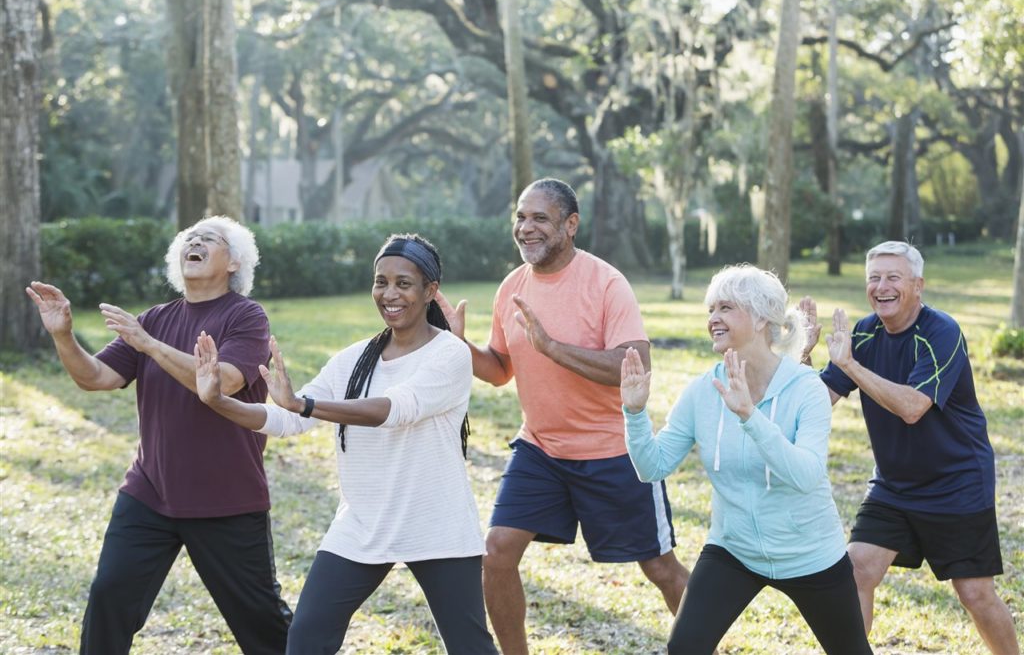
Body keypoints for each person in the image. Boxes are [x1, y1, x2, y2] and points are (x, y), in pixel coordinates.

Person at [193, 233, 498, 655]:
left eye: (403, 283)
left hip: (435, 521)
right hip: (362, 523)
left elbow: (394, 409)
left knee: (470, 648)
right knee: (306, 639)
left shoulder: (450, 354)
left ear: (430, 291)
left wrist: (306, 403)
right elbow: (285, 420)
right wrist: (217, 401)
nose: (389, 294)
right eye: (381, 282)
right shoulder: (354, 358)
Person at [437, 178, 689, 654]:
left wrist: (552, 348)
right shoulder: (512, 287)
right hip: (542, 449)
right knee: (497, 551)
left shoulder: (606, 282)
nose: (525, 228)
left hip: (615, 451)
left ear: (570, 225)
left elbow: (633, 368)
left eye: (539, 218)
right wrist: (460, 348)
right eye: (520, 217)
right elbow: (499, 370)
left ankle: (704, 644)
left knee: (660, 569)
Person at [25, 217, 292, 654]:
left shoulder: (246, 316)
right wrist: (64, 336)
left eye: (210, 239)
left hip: (225, 497)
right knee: (109, 597)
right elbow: (96, 377)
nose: (196, 241)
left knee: (262, 625)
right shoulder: (155, 319)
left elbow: (220, 383)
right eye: (190, 238)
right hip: (150, 492)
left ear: (234, 262)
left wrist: (148, 344)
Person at [620, 264, 872, 655]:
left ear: (759, 318)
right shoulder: (703, 391)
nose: (713, 320)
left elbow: (806, 475)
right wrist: (635, 414)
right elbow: (652, 466)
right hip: (733, 549)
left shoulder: (806, 388)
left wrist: (750, 417)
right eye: (710, 310)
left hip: (810, 553)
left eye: (725, 308)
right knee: (684, 648)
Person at [808, 240, 1019, 655]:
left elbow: (912, 407)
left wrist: (850, 365)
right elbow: (816, 401)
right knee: (857, 572)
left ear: (918, 285)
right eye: (873, 277)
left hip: (957, 482)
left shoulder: (942, 332)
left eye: (893, 277)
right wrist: (803, 352)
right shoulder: (865, 333)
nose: (881, 287)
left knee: (974, 594)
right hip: (894, 486)